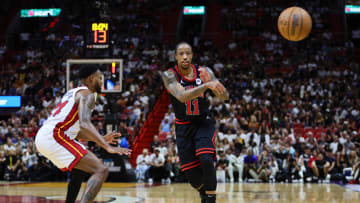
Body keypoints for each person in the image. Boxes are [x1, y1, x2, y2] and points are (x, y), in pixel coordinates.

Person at [35, 65, 131, 203]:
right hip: (55, 136)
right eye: (100, 78)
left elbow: (76, 131)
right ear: (92, 79)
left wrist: (101, 139)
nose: (102, 82)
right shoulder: (88, 94)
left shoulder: (73, 92)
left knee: (79, 172)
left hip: (48, 135)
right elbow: (85, 124)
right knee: (101, 170)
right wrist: (106, 146)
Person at [161, 42, 229, 203]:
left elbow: (224, 96)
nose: (185, 57)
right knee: (192, 177)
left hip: (203, 122)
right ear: (175, 56)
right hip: (183, 126)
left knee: (206, 159)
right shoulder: (169, 75)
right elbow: (182, 96)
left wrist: (216, 87)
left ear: (192, 55)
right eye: (181, 54)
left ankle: (211, 198)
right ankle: (204, 192)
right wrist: (206, 85)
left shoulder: (205, 72)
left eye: (188, 53)